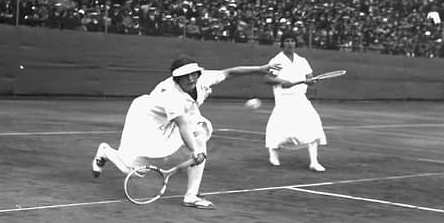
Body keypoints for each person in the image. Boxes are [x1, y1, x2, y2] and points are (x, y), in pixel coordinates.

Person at [91, 56, 279, 209]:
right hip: (147, 119)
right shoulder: (170, 95)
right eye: (184, 76)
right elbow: (182, 126)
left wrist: (261, 69)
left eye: (193, 75)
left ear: (198, 73)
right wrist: (194, 151)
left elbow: (230, 72)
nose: (190, 79)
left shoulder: (202, 78)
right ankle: (105, 152)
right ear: (176, 79)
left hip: (180, 116)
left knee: (200, 135)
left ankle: (191, 196)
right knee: (132, 169)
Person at [263, 32, 327, 171]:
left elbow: (310, 79)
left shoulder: (302, 61)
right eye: (287, 41)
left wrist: (311, 81)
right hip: (283, 99)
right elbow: (268, 78)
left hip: (301, 98)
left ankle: (314, 162)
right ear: (282, 43)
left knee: (314, 125)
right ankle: (273, 154)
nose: (290, 43)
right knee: (281, 130)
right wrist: (282, 81)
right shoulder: (277, 61)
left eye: (292, 40)